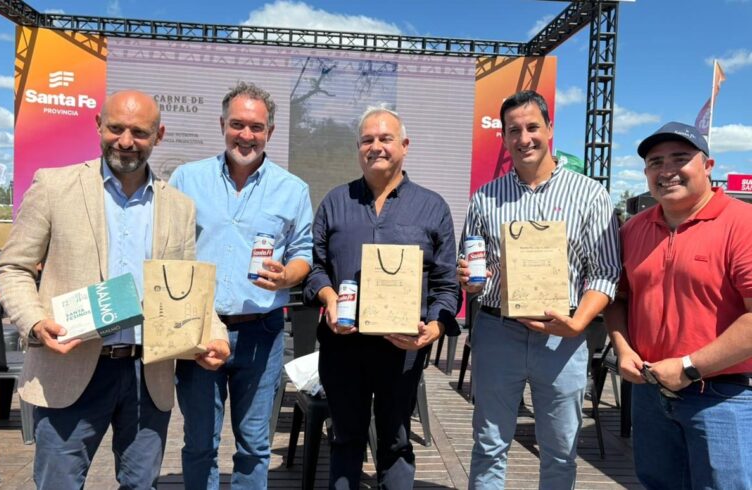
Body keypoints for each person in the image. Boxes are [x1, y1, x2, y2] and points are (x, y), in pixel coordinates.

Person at [0, 90, 230, 489]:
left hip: (146, 375)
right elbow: (13, 268)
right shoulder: (54, 186)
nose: (125, 141)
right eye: (116, 128)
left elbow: (189, 288)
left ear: (159, 135)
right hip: (69, 367)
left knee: (140, 485)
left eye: (139, 132)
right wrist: (34, 321)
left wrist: (215, 336)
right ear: (98, 125)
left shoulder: (179, 207)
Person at [458, 90, 621, 489]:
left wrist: (578, 323)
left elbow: (606, 273)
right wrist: (469, 277)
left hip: (563, 336)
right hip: (499, 331)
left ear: (550, 128)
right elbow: (474, 269)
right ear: (504, 137)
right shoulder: (485, 198)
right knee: (489, 445)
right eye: (514, 130)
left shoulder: (590, 195)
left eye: (532, 127)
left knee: (561, 451)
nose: (524, 138)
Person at [303, 106, 460, 489]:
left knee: (396, 442)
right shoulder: (335, 202)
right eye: (367, 140)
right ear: (358, 148)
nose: (376, 146)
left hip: (402, 350)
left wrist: (434, 328)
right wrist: (328, 296)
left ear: (404, 145)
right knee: (345, 439)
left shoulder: (432, 207)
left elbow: (446, 284)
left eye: (385, 138)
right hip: (343, 346)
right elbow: (315, 267)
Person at [170, 81, 313, 489]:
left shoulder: (293, 189)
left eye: (256, 127)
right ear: (222, 125)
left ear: (270, 131)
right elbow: (165, 247)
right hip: (200, 329)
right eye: (237, 124)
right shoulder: (186, 179)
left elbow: (303, 252)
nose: (246, 135)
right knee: (199, 442)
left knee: (254, 445)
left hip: (261, 332)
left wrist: (288, 275)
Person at [603, 121, 752, 489]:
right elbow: (617, 299)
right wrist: (623, 349)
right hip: (649, 390)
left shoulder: (742, 224)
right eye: (655, 162)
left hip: (722, 395)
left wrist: (688, 367)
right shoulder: (632, 229)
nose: (666, 170)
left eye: (680, 158)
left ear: (708, 165)